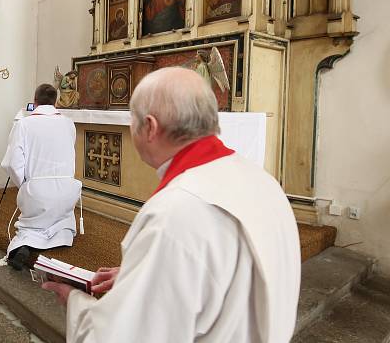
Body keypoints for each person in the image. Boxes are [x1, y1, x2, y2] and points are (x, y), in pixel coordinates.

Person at [44, 67, 300, 342]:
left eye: (133, 119)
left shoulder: (174, 215)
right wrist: (146, 274)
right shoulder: (264, 182)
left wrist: (75, 302)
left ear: (150, 128)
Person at [1, 83, 82, 270]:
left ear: (34, 101)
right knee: (64, 221)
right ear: (55, 102)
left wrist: (26, 185)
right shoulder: (69, 123)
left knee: (31, 224)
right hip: (68, 193)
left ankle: (25, 245)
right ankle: (57, 237)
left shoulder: (24, 124)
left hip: (37, 194)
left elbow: (12, 163)